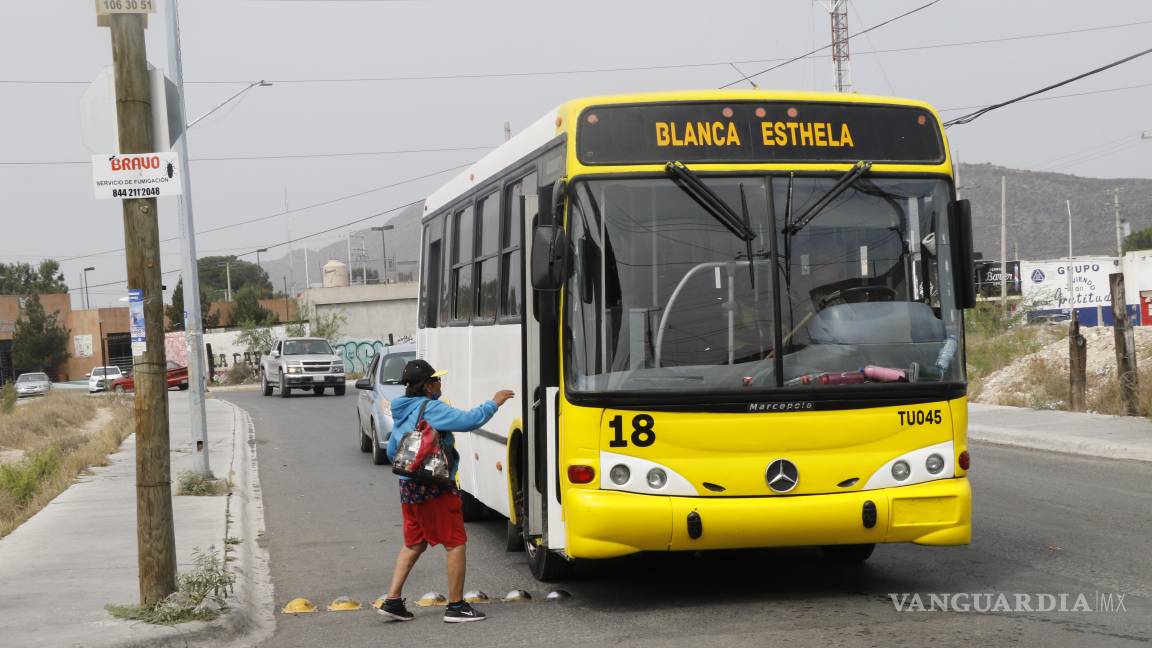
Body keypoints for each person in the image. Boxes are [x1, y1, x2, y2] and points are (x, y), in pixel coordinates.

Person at [377, 358, 514, 624]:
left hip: (408, 487)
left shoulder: (402, 409)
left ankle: (393, 601)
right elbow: (468, 420)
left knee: (414, 543)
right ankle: (455, 606)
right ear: (427, 385)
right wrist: (494, 402)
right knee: (455, 543)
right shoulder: (431, 408)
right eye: (437, 379)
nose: (440, 383)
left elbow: (394, 450)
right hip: (434, 488)